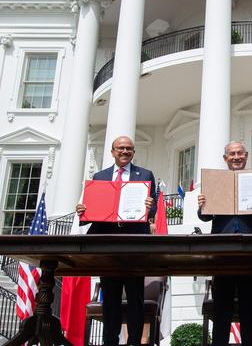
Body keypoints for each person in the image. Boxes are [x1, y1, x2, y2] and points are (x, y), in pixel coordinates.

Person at [75, 135, 156, 346]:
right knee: (110, 298)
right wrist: (83, 211)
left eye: (129, 148)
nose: (125, 151)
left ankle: (134, 342)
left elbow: (153, 210)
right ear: (112, 152)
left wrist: (150, 205)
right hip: (108, 244)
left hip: (134, 243)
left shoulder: (145, 174)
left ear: (133, 152)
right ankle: (109, 341)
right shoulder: (99, 176)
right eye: (120, 148)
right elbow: (93, 210)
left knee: (135, 298)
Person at [197, 141, 252, 346]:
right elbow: (205, 218)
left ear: (246, 156)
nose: (236, 157)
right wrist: (202, 206)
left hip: (249, 251)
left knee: (249, 305)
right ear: (225, 158)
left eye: (240, 153)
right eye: (232, 154)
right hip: (222, 251)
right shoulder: (216, 181)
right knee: (222, 307)